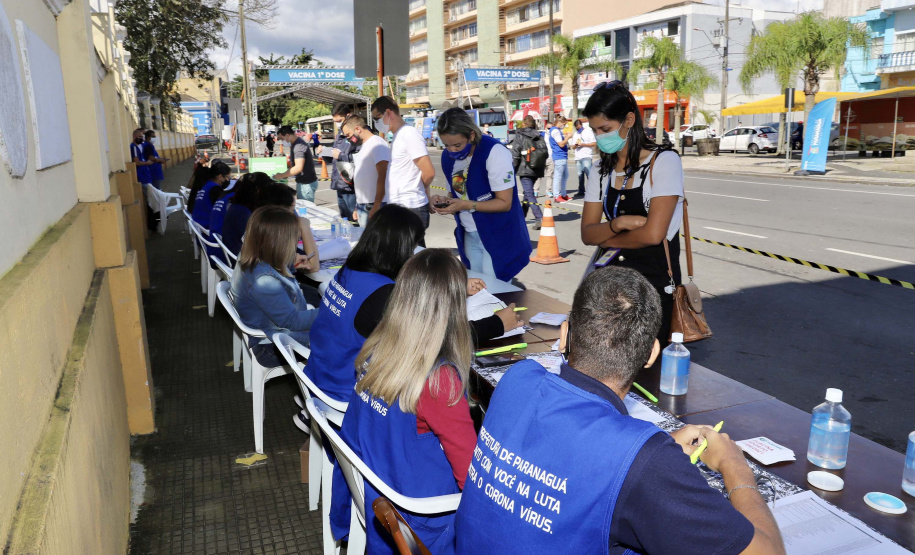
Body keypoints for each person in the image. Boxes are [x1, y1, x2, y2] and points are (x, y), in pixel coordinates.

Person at [455, 267, 786, 555]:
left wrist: (653, 449)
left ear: (565, 334)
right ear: (652, 354)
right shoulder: (644, 461)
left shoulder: (518, 378)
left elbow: (564, 448)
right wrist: (734, 465)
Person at [330, 248, 480, 555]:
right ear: (454, 309)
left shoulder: (377, 350)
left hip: (380, 492)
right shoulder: (439, 381)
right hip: (421, 518)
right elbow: (471, 477)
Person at [306, 204, 519, 404]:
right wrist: (497, 324)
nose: (414, 253)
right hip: (350, 390)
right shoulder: (382, 295)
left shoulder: (351, 271)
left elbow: (401, 293)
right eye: (413, 247)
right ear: (400, 249)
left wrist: (452, 288)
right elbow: (434, 341)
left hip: (322, 372)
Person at [580, 81, 684, 342]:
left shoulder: (664, 162)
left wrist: (605, 238)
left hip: (652, 284)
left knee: (648, 364)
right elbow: (586, 234)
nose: (600, 137)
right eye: (595, 131)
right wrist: (618, 224)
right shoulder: (600, 170)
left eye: (606, 129)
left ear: (629, 120)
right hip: (608, 284)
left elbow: (653, 234)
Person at [432, 108, 530, 282]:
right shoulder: (448, 158)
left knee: (494, 289)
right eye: (446, 145)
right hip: (470, 233)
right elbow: (455, 194)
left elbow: (504, 203)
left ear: (471, 135)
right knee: (475, 289)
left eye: (457, 145)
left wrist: (467, 205)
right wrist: (444, 202)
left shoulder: (494, 152)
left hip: (497, 235)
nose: (452, 151)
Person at [230, 206, 319, 366]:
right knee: (347, 338)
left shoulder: (250, 255)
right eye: (294, 239)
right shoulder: (264, 280)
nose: (295, 243)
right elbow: (292, 321)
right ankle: (319, 388)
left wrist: (289, 262)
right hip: (271, 346)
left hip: (272, 333)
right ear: (279, 243)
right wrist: (333, 311)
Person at [370, 96, 435, 244]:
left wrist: (417, 188)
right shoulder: (399, 135)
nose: (376, 123)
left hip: (411, 207)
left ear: (388, 113)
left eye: (377, 118)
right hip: (401, 207)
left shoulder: (409, 134)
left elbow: (429, 172)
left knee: (412, 258)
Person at [342, 115, 390, 227]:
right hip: (364, 205)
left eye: (348, 135)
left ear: (357, 129)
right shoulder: (364, 146)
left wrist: (377, 205)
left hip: (374, 205)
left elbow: (383, 175)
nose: (348, 139)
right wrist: (357, 206)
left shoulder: (377, 144)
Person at [317, 103, 358, 224]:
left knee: (355, 221)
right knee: (345, 222)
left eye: (339, 120)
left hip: (351, 185)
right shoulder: (340, 133)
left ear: (348, 116)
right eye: (335, 121)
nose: (337, 124)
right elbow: (335, 158)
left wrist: (339, 155)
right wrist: (325, 152)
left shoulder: (357, 133)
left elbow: (359, 158)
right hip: (340, 183)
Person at [221, 172, 271, 257]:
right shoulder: (243, 213)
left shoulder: (238, 207)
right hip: (240, 260)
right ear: (258, 190)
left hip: (235, 254)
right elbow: (257, 244)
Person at [511, 115, 547, 230]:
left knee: (529, 194)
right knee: (527, 194)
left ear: (524, 124)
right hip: (537, 168)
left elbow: (515, 154)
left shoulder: (520, 136)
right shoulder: (539, 136)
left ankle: (539, 218)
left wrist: (512, 169)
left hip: (525, 169)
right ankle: (521, 217)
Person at [272, 126, 318, 202]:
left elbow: (298, 168)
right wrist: (286, 173)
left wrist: (281, 175)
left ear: (287, 135)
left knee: (305, 209)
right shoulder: (296, 143)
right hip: (305, 182)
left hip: (306, 184)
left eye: (282, 139)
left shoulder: (298, 147)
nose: (282, 142)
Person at [191, 161, 231, 228]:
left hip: (199, 224)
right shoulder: (215, 189)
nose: (228, 180)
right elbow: (224, 210)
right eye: (227, 177)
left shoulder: (206, 185)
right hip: (208, 227)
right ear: (220, 176)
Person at [548, 115, 571, 203]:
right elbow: (561, 144)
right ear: (560, 122)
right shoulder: (556, 131)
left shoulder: (556, 130)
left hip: (562, 156)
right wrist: (567, 138)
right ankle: (557, 196)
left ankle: (563, 194)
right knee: (558, 176)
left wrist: (566, 138)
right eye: (563, 124)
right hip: (559, 156)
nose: (564, 126)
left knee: (565, 176)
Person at [572, 118, 596, 197]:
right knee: (580, 175)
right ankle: (581, 190)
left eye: (578, 127)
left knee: (589, 174)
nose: (577, 128)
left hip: (586, 156)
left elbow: (594, 143)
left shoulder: (588, 132)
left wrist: (583, 144)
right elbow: (573, 147)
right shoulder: (576, 134)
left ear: (581, 125)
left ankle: (592, 190)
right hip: (578, 157)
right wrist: (576, 145)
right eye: (576, 127)